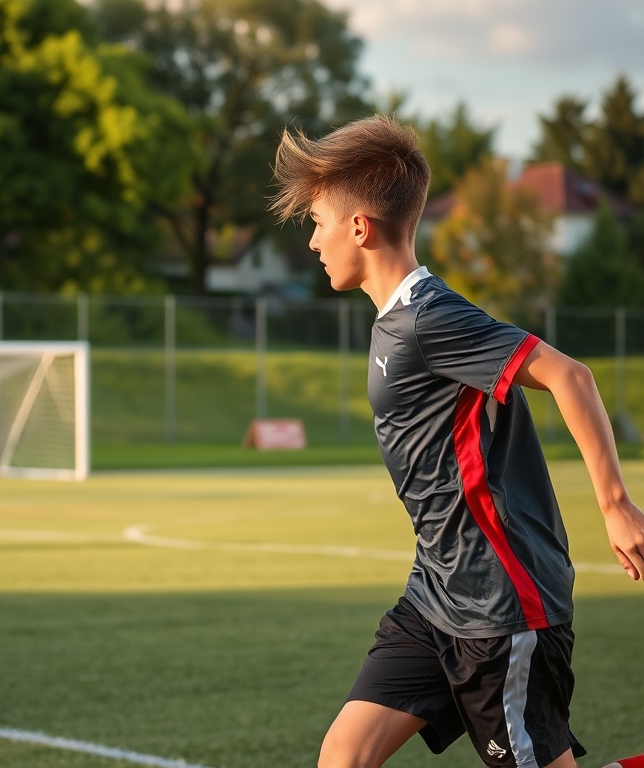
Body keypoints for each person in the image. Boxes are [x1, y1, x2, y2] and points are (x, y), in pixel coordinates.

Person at [269, 114, 644, 768]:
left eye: (318, 221)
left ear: (360, 228)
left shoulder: (427, 320)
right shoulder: (396, 323)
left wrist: (614, 505)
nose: (312, 241)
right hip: (436, 595)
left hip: (502, 604)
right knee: (343, 756)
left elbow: (568, 374)